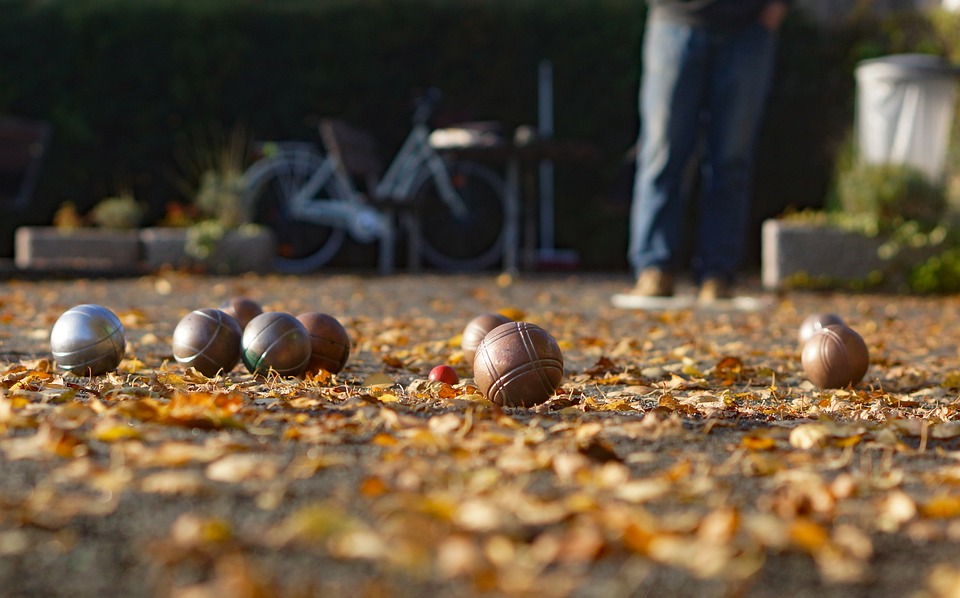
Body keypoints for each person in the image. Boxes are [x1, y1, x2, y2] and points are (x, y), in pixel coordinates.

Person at [627, 0, 789, 301]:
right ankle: (654, 267)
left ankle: (718, 273)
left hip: (749, 25)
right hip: (673, 19)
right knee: (662, 152)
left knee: (732, 158)